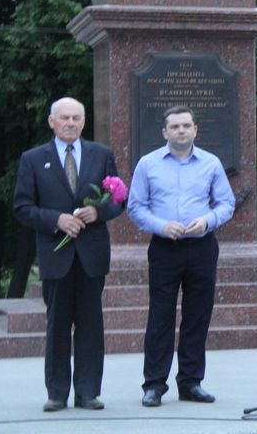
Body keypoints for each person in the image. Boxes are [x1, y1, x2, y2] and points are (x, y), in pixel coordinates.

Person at [13, 97, 124, 412]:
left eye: (76, 118)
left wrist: (98, 211)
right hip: (56, 255)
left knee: (91, 326)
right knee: (57, 326)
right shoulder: (33, 159)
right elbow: (22, 206)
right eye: (64, 118)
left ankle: (88, 392)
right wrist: (56, 220)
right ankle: (57, 393)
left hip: (91, 255)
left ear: (84, 121)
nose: (70, 123)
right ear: (52, 122)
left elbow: (118, 199)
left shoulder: (101, 154)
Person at [127, 106, 236, 407]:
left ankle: (190, 382)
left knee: (197, 316)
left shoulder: (211, 164)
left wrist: (207, 221)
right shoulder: (148, 164)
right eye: (175, 126)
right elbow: (135, 207)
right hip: (165, 248)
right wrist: (161, 226)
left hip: (201, 247)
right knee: (160, 317)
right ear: (165, 131)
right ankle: (154, 384)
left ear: (195, 130)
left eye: (186, 125)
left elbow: (226, 203)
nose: (181, 131)